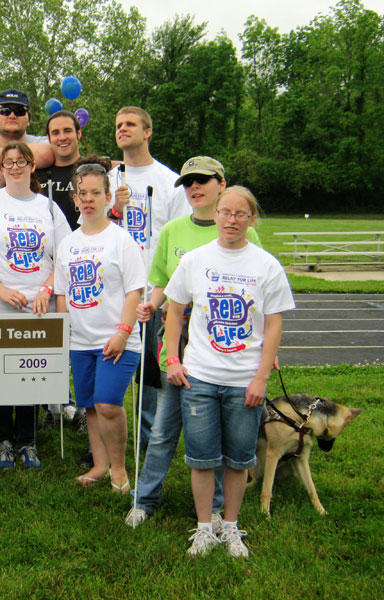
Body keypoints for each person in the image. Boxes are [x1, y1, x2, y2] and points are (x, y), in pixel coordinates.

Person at [125, 157, 262, 528]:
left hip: (221, 339)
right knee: (164, 427)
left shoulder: (241, 232)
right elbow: (160, 282)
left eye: (202, 181)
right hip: (176, 334)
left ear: (221, 184)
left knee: (215, 427)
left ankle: (214, 508)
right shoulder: (171, 230)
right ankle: (145, 499)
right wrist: (150, 305)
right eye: (188, 183)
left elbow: (256, 294)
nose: (194, 188)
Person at [164, 185, 294, 558]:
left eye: (240, 214)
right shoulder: (196, 260)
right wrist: (173, 359)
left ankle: (232, 527)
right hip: (201, 377)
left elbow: (273, 324)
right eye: (225, 212)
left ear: (252, 219)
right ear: (216, 214)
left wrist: (261, 378)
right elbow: (174, 310)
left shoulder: (266, 265)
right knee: (201, 458)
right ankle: (205, 527)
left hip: (244, 382)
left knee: (238, 460)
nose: (231, 220)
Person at [0, 141, 71, 469]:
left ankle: (27, 442)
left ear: (31, 167)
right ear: (1, 169)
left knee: (30, 374)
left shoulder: (49, 207)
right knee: (0, 376)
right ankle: (2, 441)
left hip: (37, 305)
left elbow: (65, 255)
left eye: (21, 161)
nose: (15, 167)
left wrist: (47, 288)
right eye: (8, 162)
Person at [54, 156, 145, 492]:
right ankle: (99, 463)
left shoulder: (121, 240)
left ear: (108, 198)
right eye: (83, 193)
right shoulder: (68, 243)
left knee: (108, 403)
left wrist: (123, 333)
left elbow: (135, 291)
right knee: (90, 406)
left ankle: (119, 468)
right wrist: (65, 333)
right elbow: (62, 293)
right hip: (80, 341)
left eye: (96, 192)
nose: (89, 199)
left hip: (116, 339)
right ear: (75, 199)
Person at [107, 106, 191, 452]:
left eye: (130, 124)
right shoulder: (110, 179)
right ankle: (107, 433)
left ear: (148, 132)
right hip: (113, 288)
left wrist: (171, 292)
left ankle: (150, 436)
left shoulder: (169, 181)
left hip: (151, 291)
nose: (122, 130)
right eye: (118, 125)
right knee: (111, 360)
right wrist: (115, 207)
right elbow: (94, 230)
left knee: (150, 372)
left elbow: (178, 241)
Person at [35, 110, 85, 430]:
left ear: (79, 133)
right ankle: (54, 405)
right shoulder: (41, 171)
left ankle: (83, 408)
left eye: (68, 130)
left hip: (84, 264)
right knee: (51, 340)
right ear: (48, 139)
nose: (62, 136)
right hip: (50, 268)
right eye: (55, 132)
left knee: (81, 340)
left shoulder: (94, 168)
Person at [0, 89, 54, 186]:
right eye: (5, 111)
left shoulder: (41, 142)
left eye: (19, 111)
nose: (12, 116)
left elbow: (47, 154)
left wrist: (0, 154)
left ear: (29, 119)